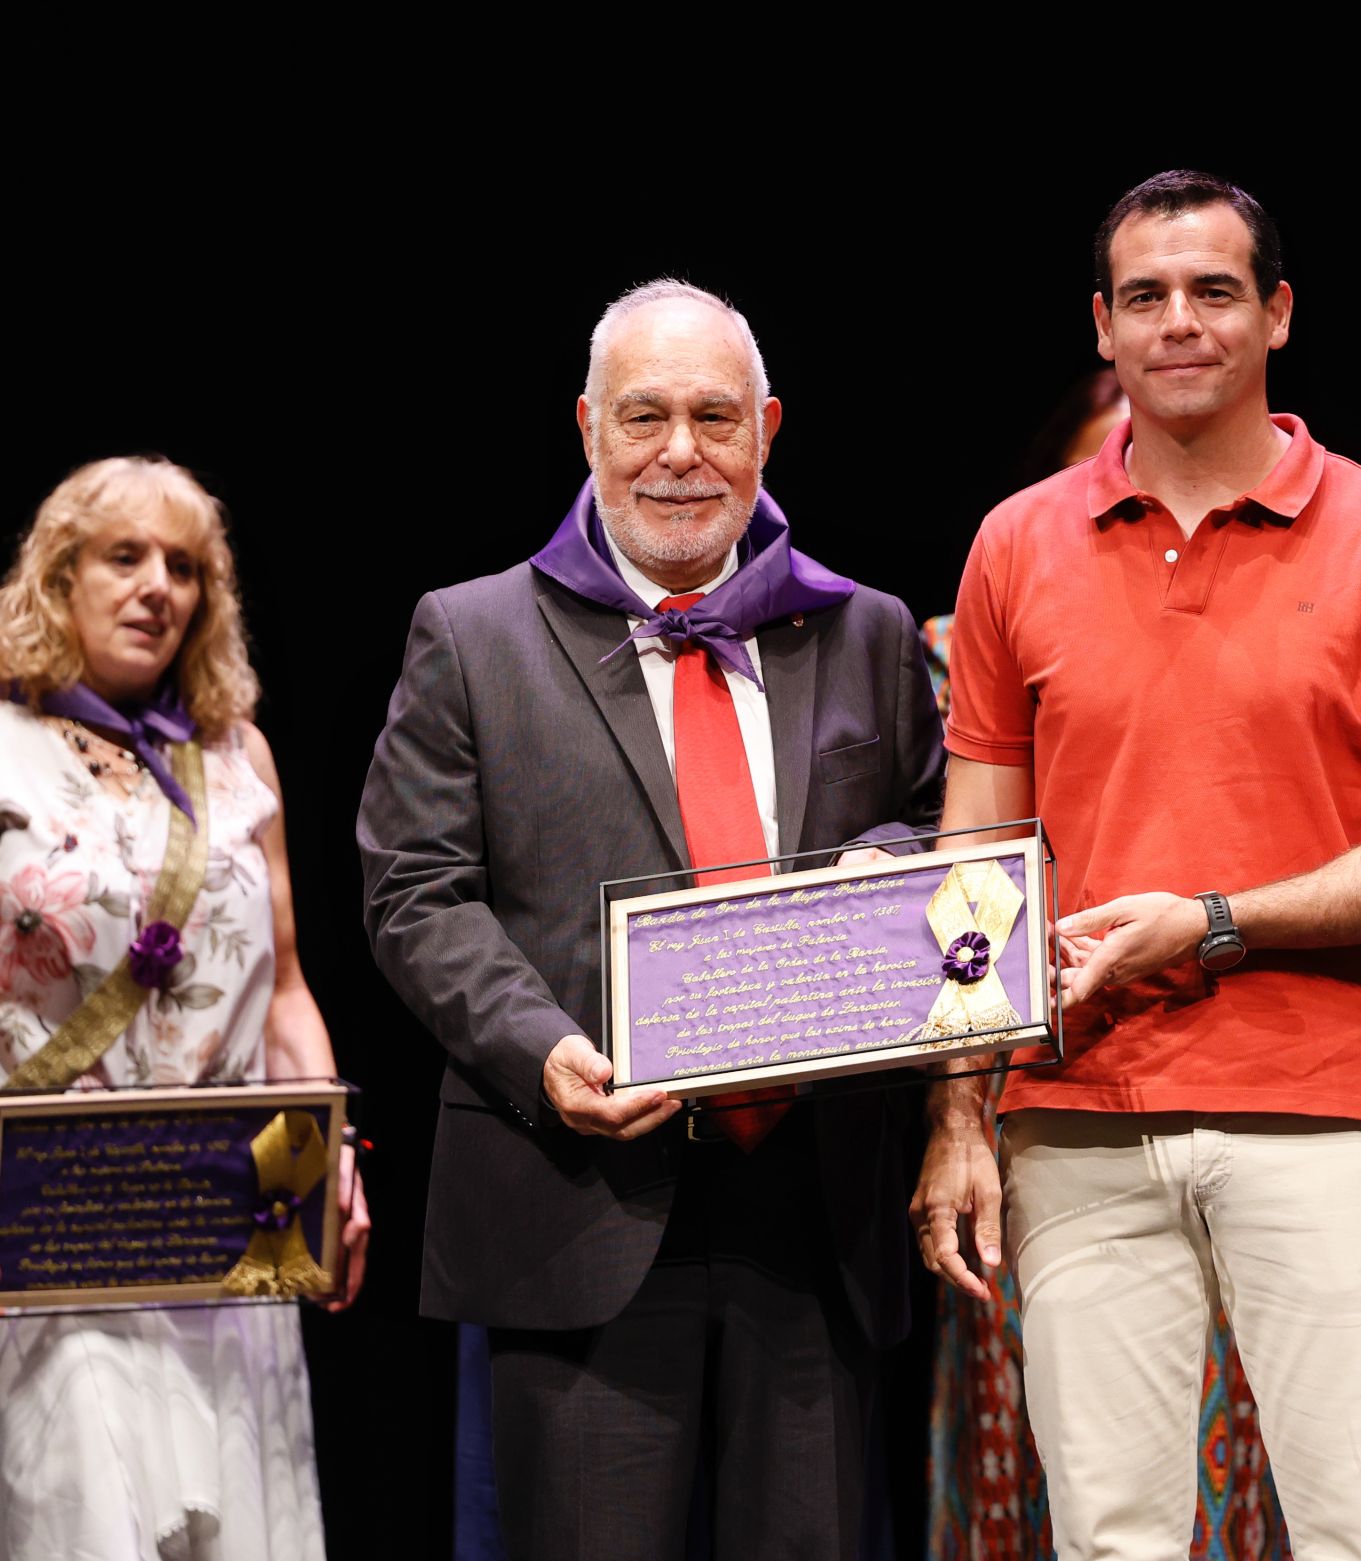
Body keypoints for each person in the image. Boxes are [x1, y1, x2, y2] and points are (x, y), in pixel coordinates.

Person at [913, 170, 1361, 1560]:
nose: (1181, 321)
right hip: (1074, 1112)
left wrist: (1212, 921)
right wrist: (958, 1113)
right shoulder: (1018, 542)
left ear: (1277, 314)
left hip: (1326, 1110)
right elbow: (976, 851)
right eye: (1148, 296)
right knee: (1111, 1539)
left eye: (1216, 291)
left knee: (1359, 1529)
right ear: (1104, 327)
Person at [357, 279, 944, 1560]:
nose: (681, 451)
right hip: (579, 1198)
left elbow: (933, 834)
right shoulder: (472, 634)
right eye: (645, 417)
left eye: (715, 417)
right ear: (586, 429)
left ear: (768, 430)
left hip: (818, 1220)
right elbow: (415, 889)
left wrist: (885, 871)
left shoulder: (867, 632)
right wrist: (539, 1048)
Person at [923, 367, 1288, 1561]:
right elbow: (959, 877)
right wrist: (962, 1105)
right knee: (1058, 1463)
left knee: (1239, 1434)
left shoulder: (1282, 617)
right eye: (1121, 468)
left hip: (1255, 1091)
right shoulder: (973, 638)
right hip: (1053, 1103)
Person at [0, 455, 371, 1561]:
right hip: (50, 1238)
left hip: (223, 1229)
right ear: (61, 577)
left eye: (186, 566)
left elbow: (288, 989)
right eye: (126, 558)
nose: (159, 585)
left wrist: (332, 1155)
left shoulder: (234, 755)